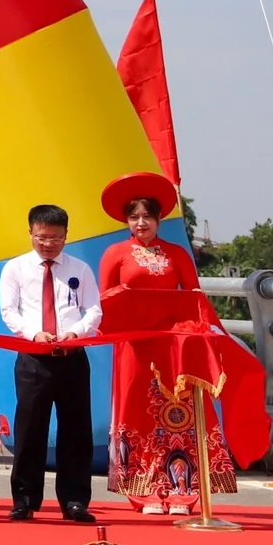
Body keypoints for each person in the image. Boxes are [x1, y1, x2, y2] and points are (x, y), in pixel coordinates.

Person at [97, 171, 237, 514]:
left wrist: (205, 334)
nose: (141, 223)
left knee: (180, 416)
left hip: (174, 347)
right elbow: (101, 303)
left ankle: (182, 490)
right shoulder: (115, 254)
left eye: (147, 216)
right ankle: (144, 490)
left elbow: (195, 298)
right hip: (135, 347)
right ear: (126, 220)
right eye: (134, 217)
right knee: (139, 414)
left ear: (159, 219)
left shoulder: (177, 254)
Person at [0, 202, 101, 522]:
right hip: (33, 358)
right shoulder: (15, 269)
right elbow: (9, 311)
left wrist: (76, 332)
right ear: (30, 233)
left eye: (55, 239)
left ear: (66, 236)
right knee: (30, 429)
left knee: (76, 430)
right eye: (42, 237)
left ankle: (74, 501)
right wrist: (33, 333)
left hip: (71, 356)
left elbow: (94, 310)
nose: (48, 244)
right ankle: (25, 499)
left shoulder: (79, 269)